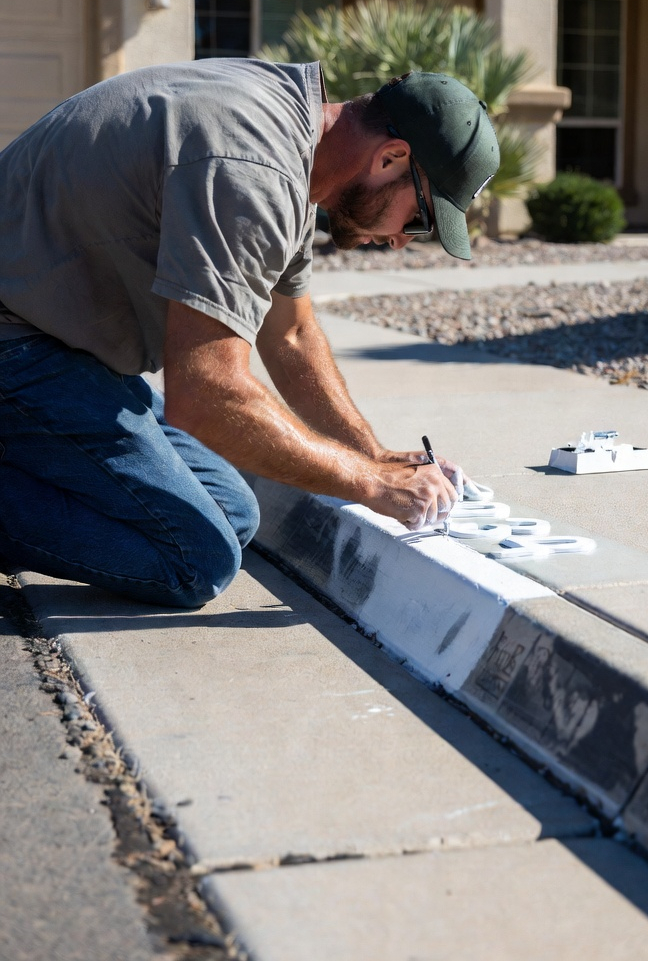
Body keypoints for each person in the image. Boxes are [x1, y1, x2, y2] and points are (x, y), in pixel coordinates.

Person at [0, 60, 500, 608]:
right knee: (195, 557)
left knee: (232, 514)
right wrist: (375, 486)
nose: (404, 241)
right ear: (391, 157)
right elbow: (206, 395)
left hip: (49, 339)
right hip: (17, 339)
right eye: (420, 219)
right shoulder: (253, 170)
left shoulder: (293, 132)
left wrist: (373, 456)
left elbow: (290, 334)